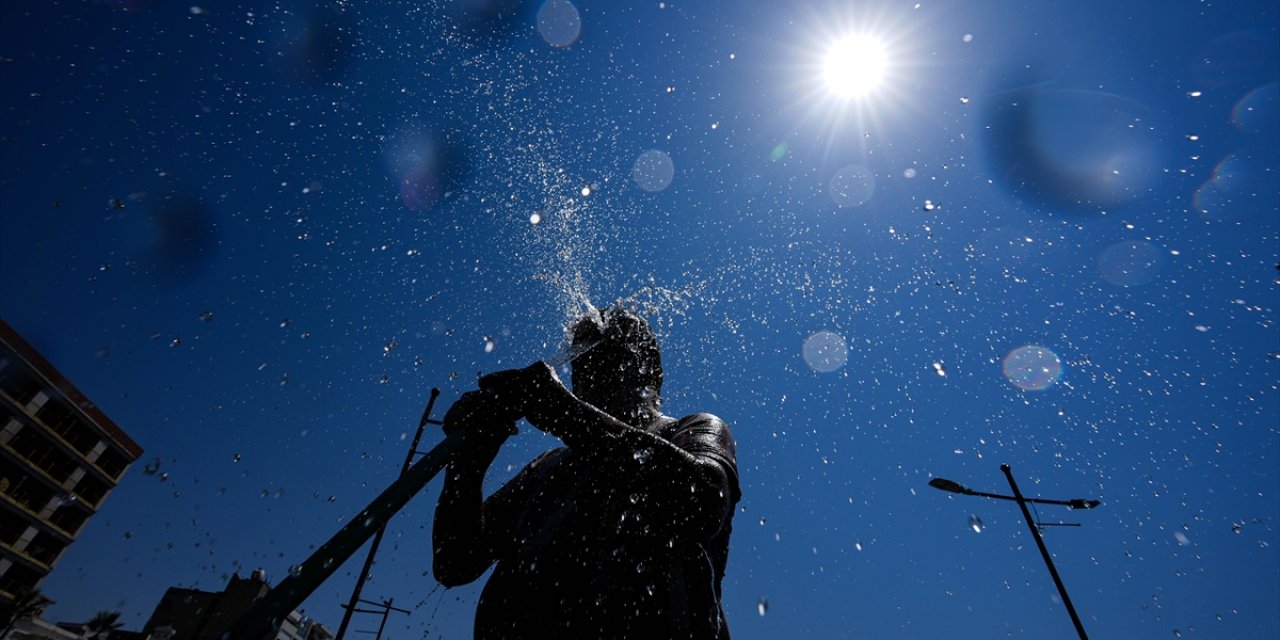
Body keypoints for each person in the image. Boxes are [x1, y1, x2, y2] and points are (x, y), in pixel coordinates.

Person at [432, 306, 741, 639]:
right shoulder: (547, 467)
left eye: (610, 354)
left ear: (652, 369)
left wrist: (565, 413)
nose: (593, 370)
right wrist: (470, 460)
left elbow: (704, 501)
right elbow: (455, 563)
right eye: (582, 361)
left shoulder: (694, 431)